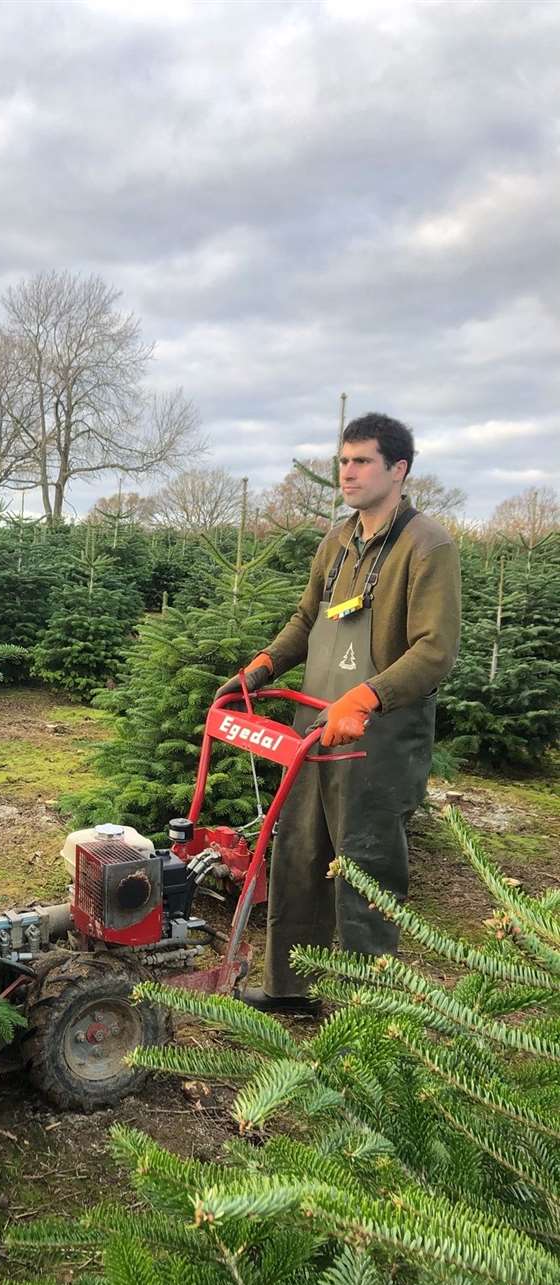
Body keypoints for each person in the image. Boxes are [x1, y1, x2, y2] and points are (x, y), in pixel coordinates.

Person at [214, 412, 461, 1012]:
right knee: (297, 856)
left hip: (378, 738)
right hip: (315, 727)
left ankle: (367, 1016)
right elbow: (307, 620)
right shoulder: (337, 540)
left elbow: (436, 649)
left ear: (398, 469)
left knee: (365, 869)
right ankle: (290, 989)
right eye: (342, 461)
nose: (346, 473)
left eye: (361, 462)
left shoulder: (426, 545)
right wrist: (263, 666)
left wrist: (368, 695)